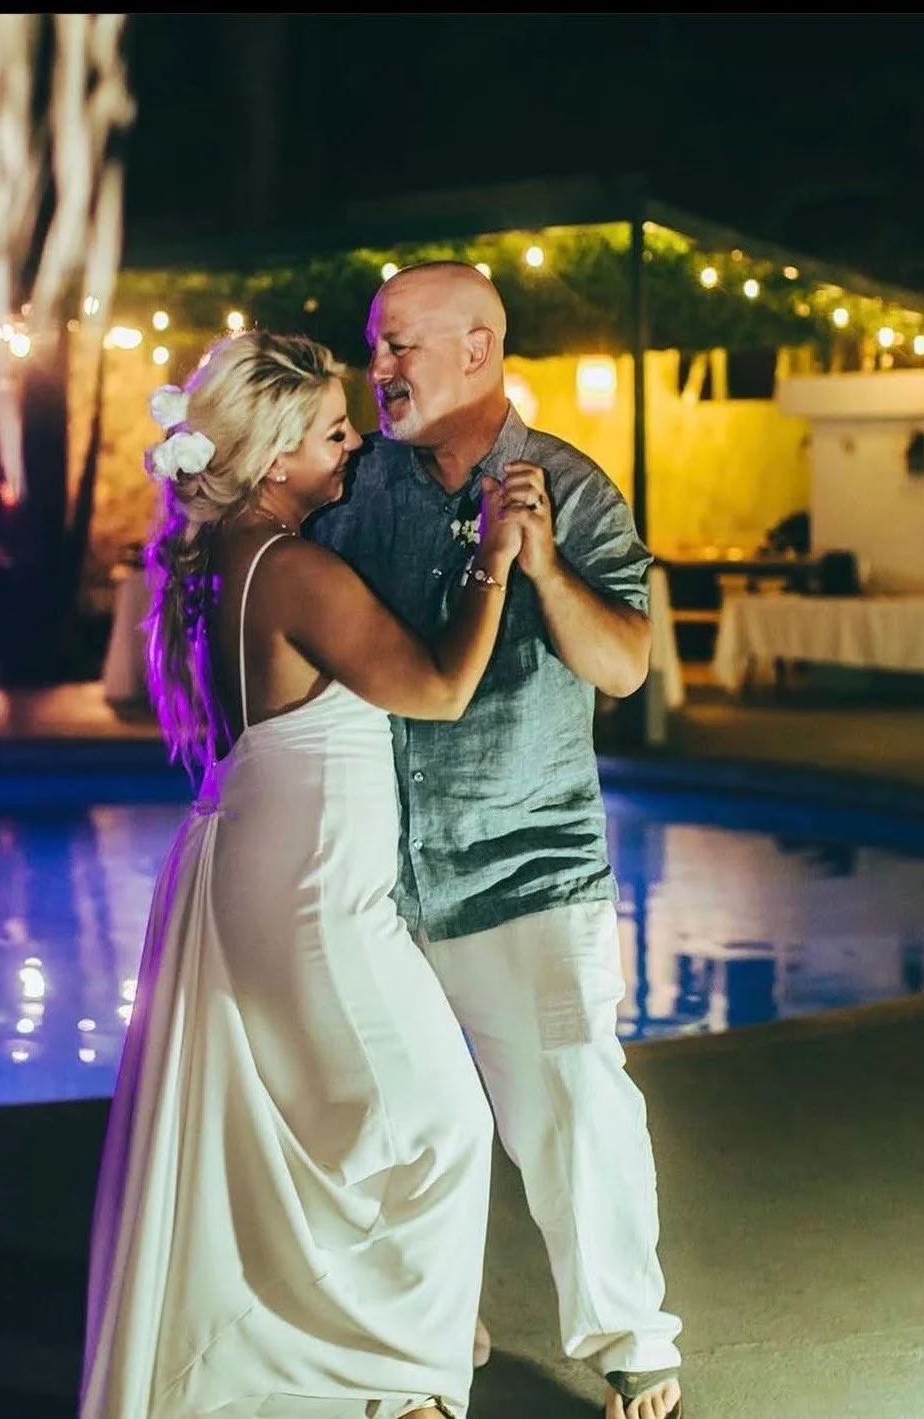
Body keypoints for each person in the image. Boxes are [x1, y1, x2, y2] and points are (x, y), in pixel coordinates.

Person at [78, 329, 528, 1419]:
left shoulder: (212, 563)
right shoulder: (295, 572)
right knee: (440, 1126)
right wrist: (494, 559)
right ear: (275, 456)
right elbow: (439, 689)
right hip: (320, 898)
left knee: (332, 1130)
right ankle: (402, 1380)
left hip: (261, 870)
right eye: (332, 432)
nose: (353, 444)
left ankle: (358, 1348)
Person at [307, 261, 684, 1419]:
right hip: (378, 873)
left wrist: (543, 564)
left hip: (527, 867)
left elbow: (624, 667)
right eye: (377, 346)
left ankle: (630, 1342)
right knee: (395, 1124)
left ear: (477, 349)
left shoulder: (570, 486)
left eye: (399, 346)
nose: (378, 369)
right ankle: (418, 1352)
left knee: (573, 1107)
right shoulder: (356, 488)